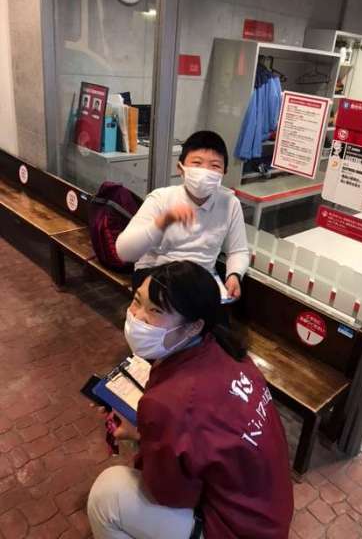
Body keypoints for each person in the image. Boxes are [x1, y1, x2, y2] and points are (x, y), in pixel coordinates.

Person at [87, 260, 294, 539]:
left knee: (107, 494)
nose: (137, 317)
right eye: (137, 301)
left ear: (193, 327)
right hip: (268, 514)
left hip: (234, 530)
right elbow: (199, 432)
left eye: (156, 311)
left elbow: (172, 494)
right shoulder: (230, 352)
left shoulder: (168, 403)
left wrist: (141, 436)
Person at [116, 131, 249, 299]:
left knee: (214, 314)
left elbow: (238, 251)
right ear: (180, 168)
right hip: (155, 274)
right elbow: (125, 252)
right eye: (197, 163)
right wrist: (162, 222)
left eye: (215, 166)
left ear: (224, 172)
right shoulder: (161, 198)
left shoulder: (230, 203)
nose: (205, 171)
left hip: (200, 278)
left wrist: (234, 275)